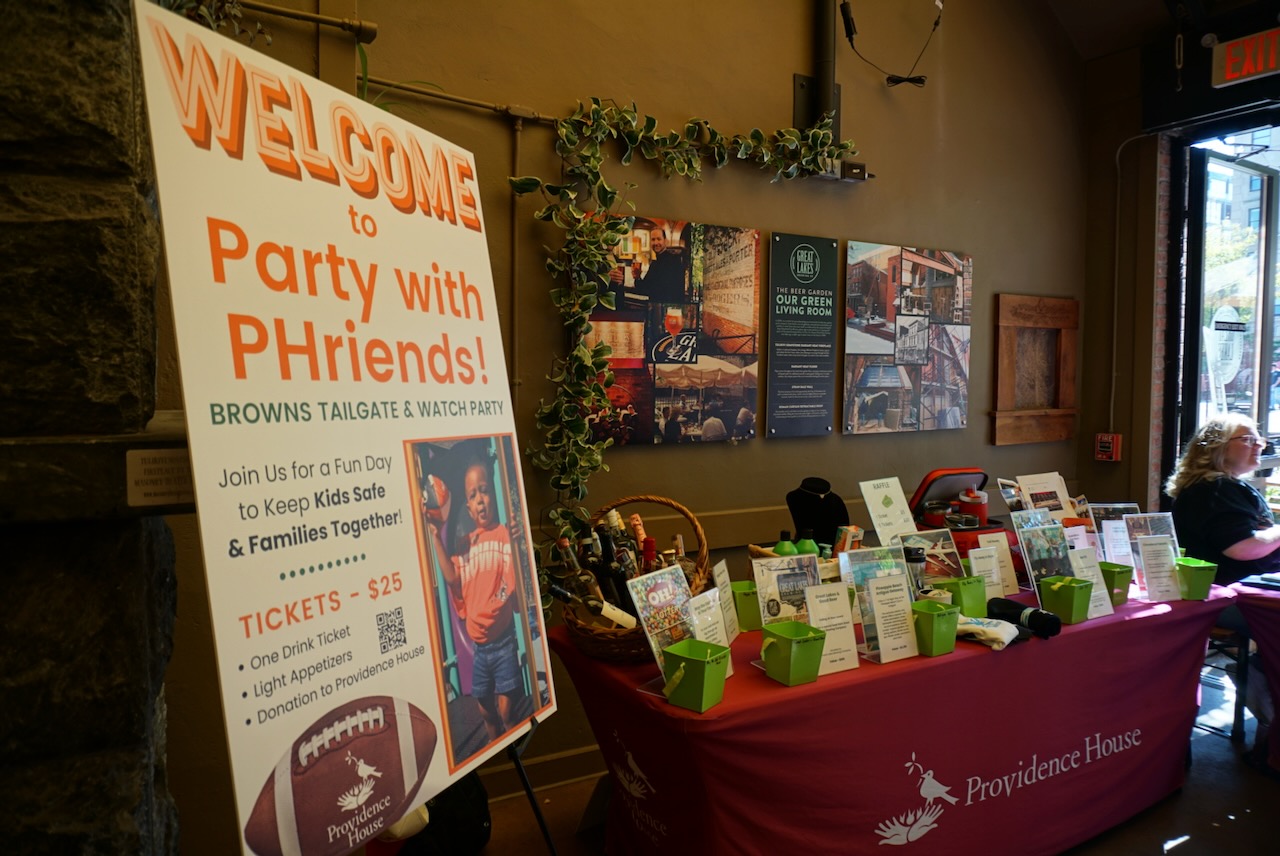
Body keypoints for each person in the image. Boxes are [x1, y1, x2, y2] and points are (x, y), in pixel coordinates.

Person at [1167, 412, 1274, 766]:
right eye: (1247, 439)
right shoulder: (1216, 490)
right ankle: (1269, 722)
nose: (1258, 445)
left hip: (1240, 593)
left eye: (1259, 438)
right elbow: (1242, 548)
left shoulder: (1215, 488)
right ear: (1217, 448)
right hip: (1229, 599)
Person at [423, 461, 521, 742]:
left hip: (503, 642)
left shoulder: (503, 535)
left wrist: (517, 537)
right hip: (480, 647)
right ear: (467, 508)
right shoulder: (466, 544)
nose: (480, 500)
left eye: (484, 491)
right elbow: (453, 576)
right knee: (485, 709)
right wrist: (435, 537)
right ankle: (495, 745)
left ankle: (513, 744)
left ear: (493, 496)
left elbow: (512, 575)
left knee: (506, 710)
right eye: (472, 495)